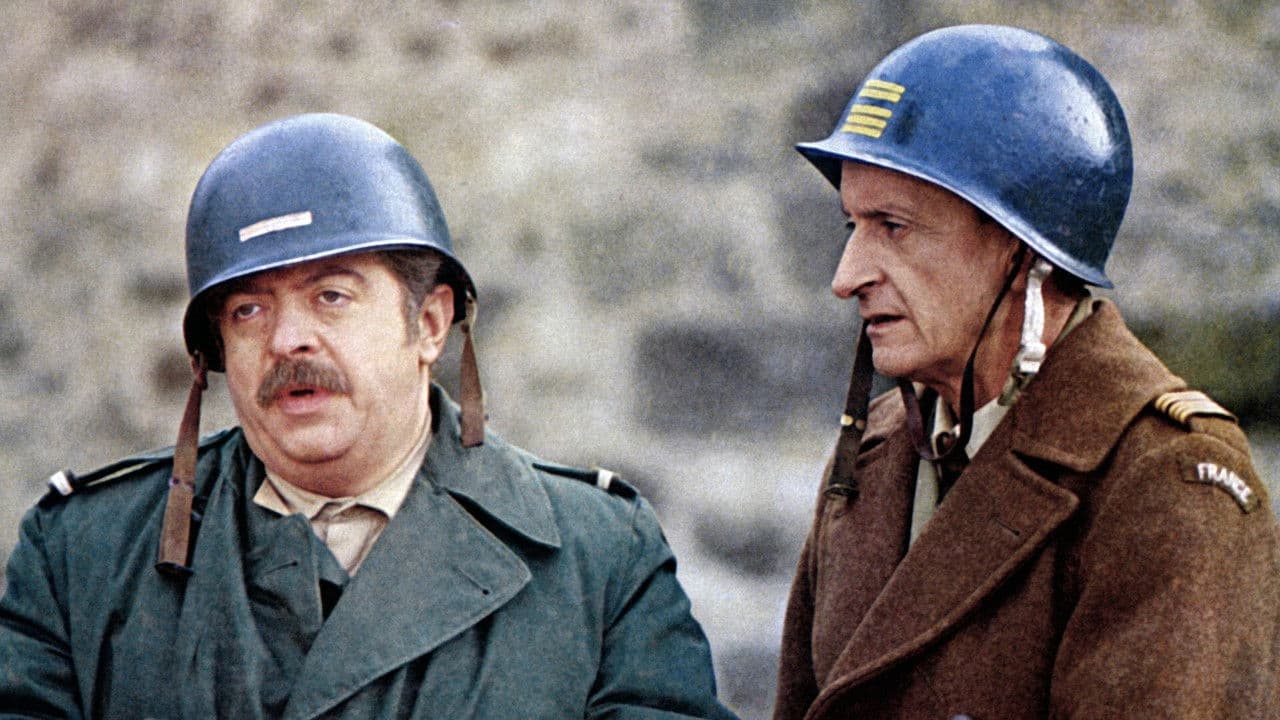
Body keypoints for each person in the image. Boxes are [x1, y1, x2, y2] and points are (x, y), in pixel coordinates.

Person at [0, 113, 738, 720]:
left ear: (430, 324)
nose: (287, 339)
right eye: (250, 308)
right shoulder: (83, 560)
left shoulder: (596, 558)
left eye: (331, 296)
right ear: (215, 348)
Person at [773, 25, 1280, 720]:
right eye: (850, 227)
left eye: (893, 227)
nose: (847, 276)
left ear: (1023, 254)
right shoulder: (876, 450)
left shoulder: (1167, 484)